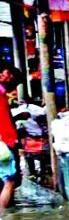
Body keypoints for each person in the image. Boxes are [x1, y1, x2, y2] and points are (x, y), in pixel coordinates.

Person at [0, 65, 22, 210]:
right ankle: (3, 215)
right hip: (5, 141)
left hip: (6, 139)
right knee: (10, 181)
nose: (4, 75)